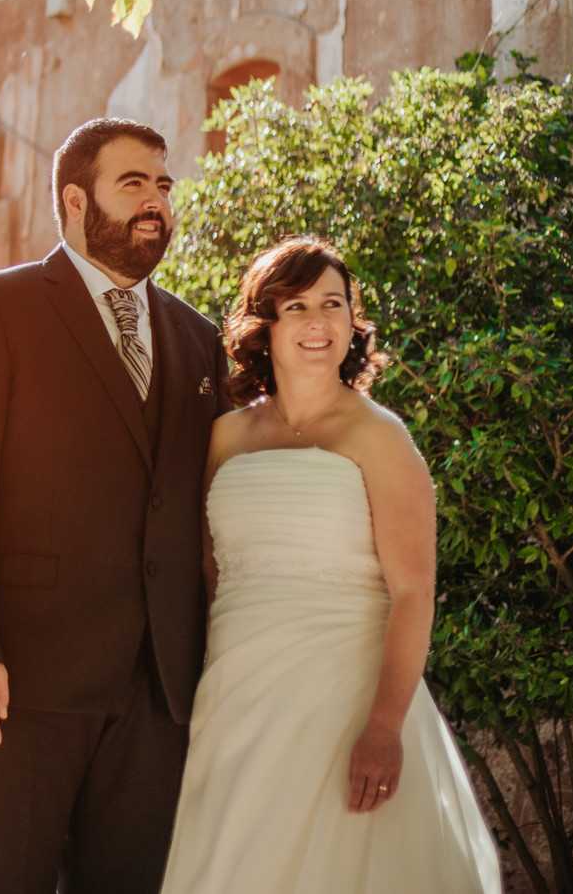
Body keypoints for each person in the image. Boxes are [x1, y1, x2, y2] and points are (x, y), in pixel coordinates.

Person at [0, 118, 232, 894]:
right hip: (22, 675)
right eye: (134, 184)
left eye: (163, 185)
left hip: (159, 684)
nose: (156, 202)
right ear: (75, 200)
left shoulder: (198, 337)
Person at [158, 236, 502, 894]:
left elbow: (414, 591)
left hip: (347, 701)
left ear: (351, 320)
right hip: (239, 701)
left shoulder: (380, 435)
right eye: (297, 306)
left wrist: (384, 726)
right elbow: (210, 572)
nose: (317, 321)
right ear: (265, 325)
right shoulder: (224, 436)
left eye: (333, 303)